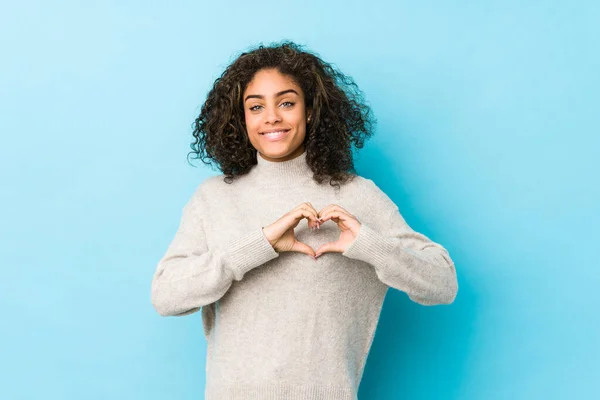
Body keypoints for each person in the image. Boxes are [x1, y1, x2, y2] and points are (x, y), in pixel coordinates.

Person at [151, 41, 458, 400]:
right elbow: (166, 296)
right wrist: (258, 245)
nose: (271, 118)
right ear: (241, 118)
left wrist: (369, 245)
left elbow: (443, 283)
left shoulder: (356, 195)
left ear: (310, 111)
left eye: (286, 103)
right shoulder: (214, 198)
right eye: (256, 107)